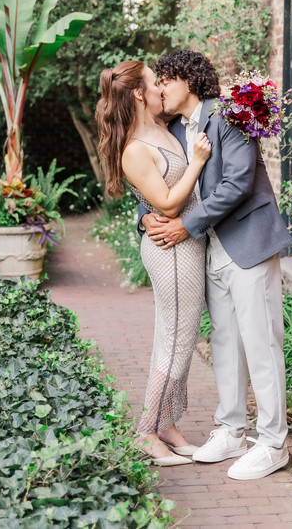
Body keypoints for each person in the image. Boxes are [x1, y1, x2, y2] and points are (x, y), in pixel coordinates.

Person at [140, 50, 292, 481]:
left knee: (261, 343)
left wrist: (186, 226)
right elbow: (154, 179)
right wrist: (144, 216)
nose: (160, 90)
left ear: (187, 80)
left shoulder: (231, 113)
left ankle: (272, 442)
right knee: (225, 343)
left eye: (165, 80)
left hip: (248, 242)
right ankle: (230, 430)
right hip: (209, 251)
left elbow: (238, 183)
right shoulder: (170, 128)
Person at [95, 60, 212, 467]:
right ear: (139, 94)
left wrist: (144, 212)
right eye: (154, 82)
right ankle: (146, 432)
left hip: (185, 245)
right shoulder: (135, 150)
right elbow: (166, 202)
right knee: (178, 341)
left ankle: (168, 424)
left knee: (175, 336)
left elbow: (151, 202)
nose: (163, 87)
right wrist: (196, 162)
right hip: (171, 252)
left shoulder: (164, 130)